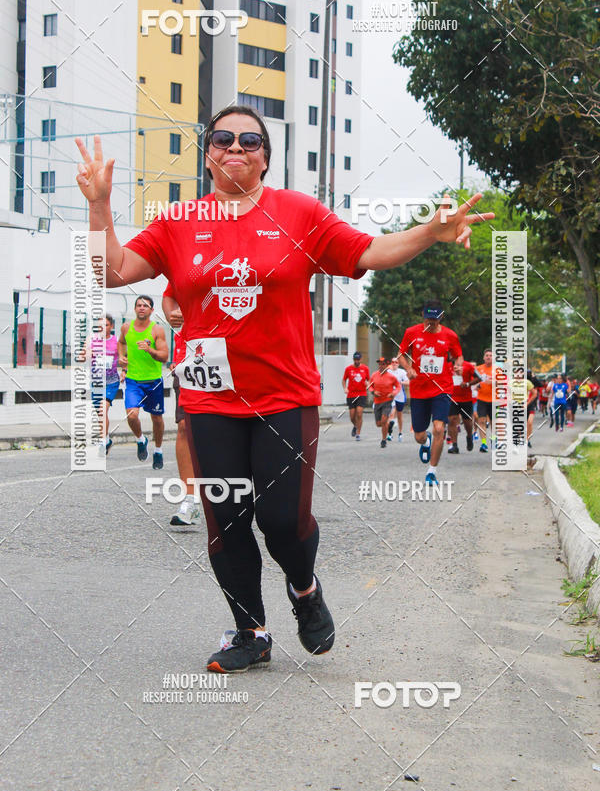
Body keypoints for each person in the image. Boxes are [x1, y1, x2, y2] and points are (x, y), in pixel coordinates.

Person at [75, 107, 493, 673]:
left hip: (284, 399)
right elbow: (112, 270)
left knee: (280, 521)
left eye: (251, 140)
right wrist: (100, 206)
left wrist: (429, 232)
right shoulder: (178, 220)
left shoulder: (297, 214)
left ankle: (303, 588)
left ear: (265, 157)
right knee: (226, 521)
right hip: (210, 400)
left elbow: (369, 251)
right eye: (223, 138)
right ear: (209, 155)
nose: (236, 148)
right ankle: (250, 632)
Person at [398, 301, 463, 485]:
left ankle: (432, 471)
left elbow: (458, 354)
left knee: (438, 428)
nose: (430, 323)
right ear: (422, 315)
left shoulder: (450, 335)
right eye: (428, 319)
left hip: (442, 387)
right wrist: (408, 368)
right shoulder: (412, 332)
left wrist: (458, 365)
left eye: (434, 320)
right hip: (419, 389)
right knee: (419, 435)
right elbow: (401, 354)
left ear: (440, 317)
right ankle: (425, 443)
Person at [162, 286, 200, 526]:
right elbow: (170, 296)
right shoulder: (188, 255)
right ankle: (190, 500)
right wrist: (172, 313)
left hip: (234, 356)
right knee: (185, 426)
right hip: (188, 360)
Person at [117, 295, 169, 468]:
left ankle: (158, 450)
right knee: (131, 415)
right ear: (135, 309)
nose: (141, 308)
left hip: (153, 381)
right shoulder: (126, 327)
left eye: (145, 306)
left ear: (151, 310)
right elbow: (121, 343)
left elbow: (164, 356)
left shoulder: (157, 330)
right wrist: (121, 358)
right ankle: (141, 440)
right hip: (133, 380)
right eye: (139, 305)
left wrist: (150, 350)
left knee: (157, 418)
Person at [81, 313, 123, 454]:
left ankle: (103, 442)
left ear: (111, 326)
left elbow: (126, 358)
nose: (102, 328)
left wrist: (125, 371)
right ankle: (107, 439)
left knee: (102, 410)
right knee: (100, 414)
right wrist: (87, 354)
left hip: (111, 382)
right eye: (99, 325)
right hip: (97, 383)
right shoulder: (91, 339)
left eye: (105, 325)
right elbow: (81, 356)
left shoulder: (117, 341)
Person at [368, 357, 400, 448]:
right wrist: (373, 392)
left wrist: (393, 393)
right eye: (379, 364)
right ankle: (389, 426)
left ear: (387, 365)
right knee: (379, 424)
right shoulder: (374, 375)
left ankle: (383, 440)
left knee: (383, 420)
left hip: (387, 401)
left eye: (383, 364)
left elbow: (398, 386)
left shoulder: (391, 377)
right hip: (377, 402)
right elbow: (370, 386)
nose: (381, 366)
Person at [447, 359, 478, 454]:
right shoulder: (446, 365)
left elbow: (478, 378)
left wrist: (468, 384)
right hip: (452, 398)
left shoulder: (468, 365)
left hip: (466, 399)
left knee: (467, 422)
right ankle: (454, 445)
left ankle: (469, 436)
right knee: (452, 420)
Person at [342, 351, 370, 441]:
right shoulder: (348, 369)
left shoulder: (365, 368)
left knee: (359, 413)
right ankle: (355, 425)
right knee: (352, 416)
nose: (356, 361)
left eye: (358, 359)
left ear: (361, 359)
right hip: (351, 394)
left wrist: (368, 384)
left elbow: (369, 380)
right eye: (355, 359)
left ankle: (358, 433)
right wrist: (345, 388)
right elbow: (343, 380)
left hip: (361, 394)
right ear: (353, 359)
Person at [475, 348, 494, 452]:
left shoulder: (497, 370)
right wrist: (477, 385)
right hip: (481, 399)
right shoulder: (478, 369)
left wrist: (493, 382)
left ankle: (494, 440)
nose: (488, 357)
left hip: (493, 400)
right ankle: (483, 443)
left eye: (490, 355)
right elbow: (473, 382)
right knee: (481, 420)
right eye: (487, 355)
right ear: (484, 357)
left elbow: (503, 383)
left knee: (493, 422)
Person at [387, 356, 409, 442]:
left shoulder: (402, 372)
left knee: (399, 415)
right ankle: (390, 434)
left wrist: (401, 382)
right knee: (391, 414)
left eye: (396, 362)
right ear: (391, 363)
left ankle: (400, 433)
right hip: (391, 396)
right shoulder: (388, 372)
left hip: (400, 396)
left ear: (398, 364)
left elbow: (408, 382)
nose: (394, 364)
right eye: (393, 362)